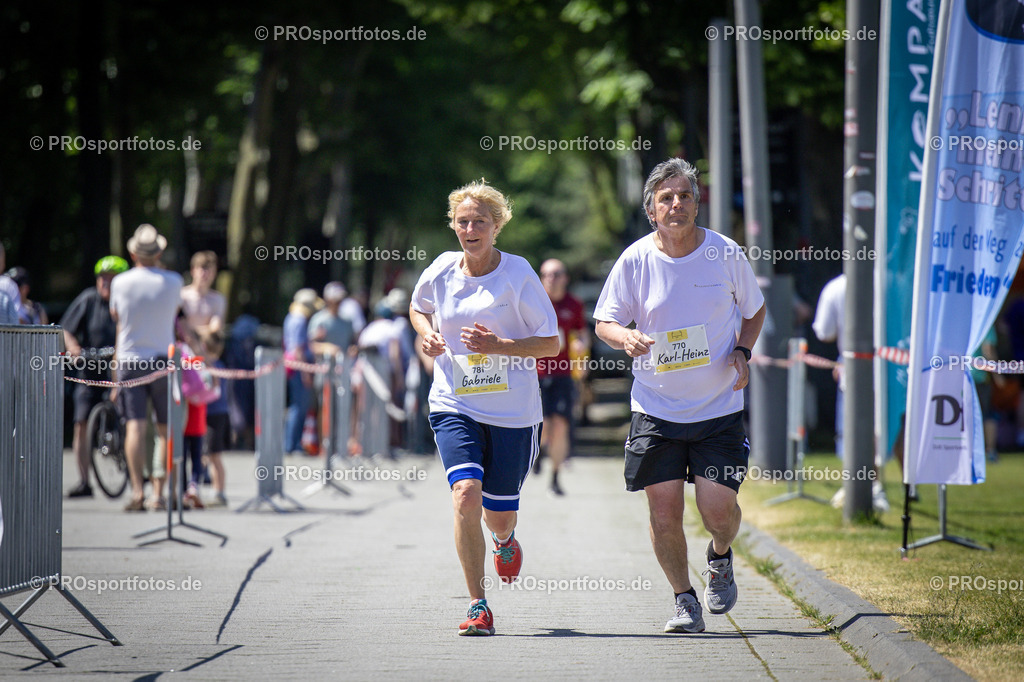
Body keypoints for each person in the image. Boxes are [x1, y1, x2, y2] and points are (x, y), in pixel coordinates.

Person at [594, 158, 766, 634]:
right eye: (665, 198)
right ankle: (684, 600)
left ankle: (720, 555)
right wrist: (623, 338)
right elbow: (604, 320)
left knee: (717, 511)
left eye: (684, 195)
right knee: (664, 511)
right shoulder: (635, 260)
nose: (675, 204)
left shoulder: (724, 253)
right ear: (652, 209)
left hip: (717, 409)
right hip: (655, 408)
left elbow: (754, 311)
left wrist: (741, 351)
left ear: (697, 202)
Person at [410, 180, 558, 636]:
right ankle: (478, 604)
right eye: (462, 221)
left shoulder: (518, 274)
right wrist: (426, 334)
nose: (470, 228)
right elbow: (419, 308)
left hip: (513, 413)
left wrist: (500, 345)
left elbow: (551, 342)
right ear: (453, 225)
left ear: (497, 226)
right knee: (464, 495)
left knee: (499, 512)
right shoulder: (439, 269)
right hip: (455, 401)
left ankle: (504, 539)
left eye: (479, 221)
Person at [109, 224, 183, 511]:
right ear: (159, 252)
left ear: (132, 252)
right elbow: (176, 312)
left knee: (135, 428)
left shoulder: (121, 283)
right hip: (163, 359)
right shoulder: (173, 281)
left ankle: (137, 491)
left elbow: (117, 319)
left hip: (129, 359)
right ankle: (159, 492)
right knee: (165, 429)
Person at [812, 273, 889, 512]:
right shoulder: (889, 280)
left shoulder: (835, 287)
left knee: (853, 429)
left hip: (853, 368)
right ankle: (887, 486)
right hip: (891, 367)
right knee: (890, 426)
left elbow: (824, 332)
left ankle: (863, 486)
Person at [61, 256, 129, 497]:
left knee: (131, 418)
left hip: (119, 369)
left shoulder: (126, 303)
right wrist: (74, 349)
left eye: (111, 279)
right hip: (88, 370)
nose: (105, 283)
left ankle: (134, 466)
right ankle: (84, 480)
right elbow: (66, 329)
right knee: (81, 424)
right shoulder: (88, 300)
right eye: (102, 278)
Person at [535, 259, 589, 495]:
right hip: (535, 375)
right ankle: (537, 452)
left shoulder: (574, 304)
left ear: (565, 277)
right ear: (541, 278)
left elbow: (583, 335)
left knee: (560, 425)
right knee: (543, 426)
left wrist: (581, 350)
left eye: (557, 274)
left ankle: (555, 477)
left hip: (563, 374)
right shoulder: (533, 303)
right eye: (547, 275)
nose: (552, 279)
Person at [283, 288, 320, 455]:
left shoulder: (292, 318)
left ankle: (292, 443)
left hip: (293, 365)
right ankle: (292, 444)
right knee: (299, 406)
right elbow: (298, 349)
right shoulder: (299, 320)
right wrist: (306, 373)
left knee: (297, 406)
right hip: (298, 367)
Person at [180, 250, 226, 343]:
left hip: (206, 352)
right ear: (193, 270)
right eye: (202, 268)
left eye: (210, 270)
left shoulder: (218, 299)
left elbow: (215, 329)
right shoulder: (182, 296)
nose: (205, 274)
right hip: (182, 351)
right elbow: (177, 328)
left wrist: (190, 331)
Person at [308, 282, 355, 357]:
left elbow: (352, 342)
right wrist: (326, 348)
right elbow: (309, 345)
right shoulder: (318, 320)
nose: (339, 303)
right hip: (323, 365)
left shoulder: (347, 321)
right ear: (328, 300)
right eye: (336, 301)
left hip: (344, 365)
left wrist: (353, 349)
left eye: (340, 300)